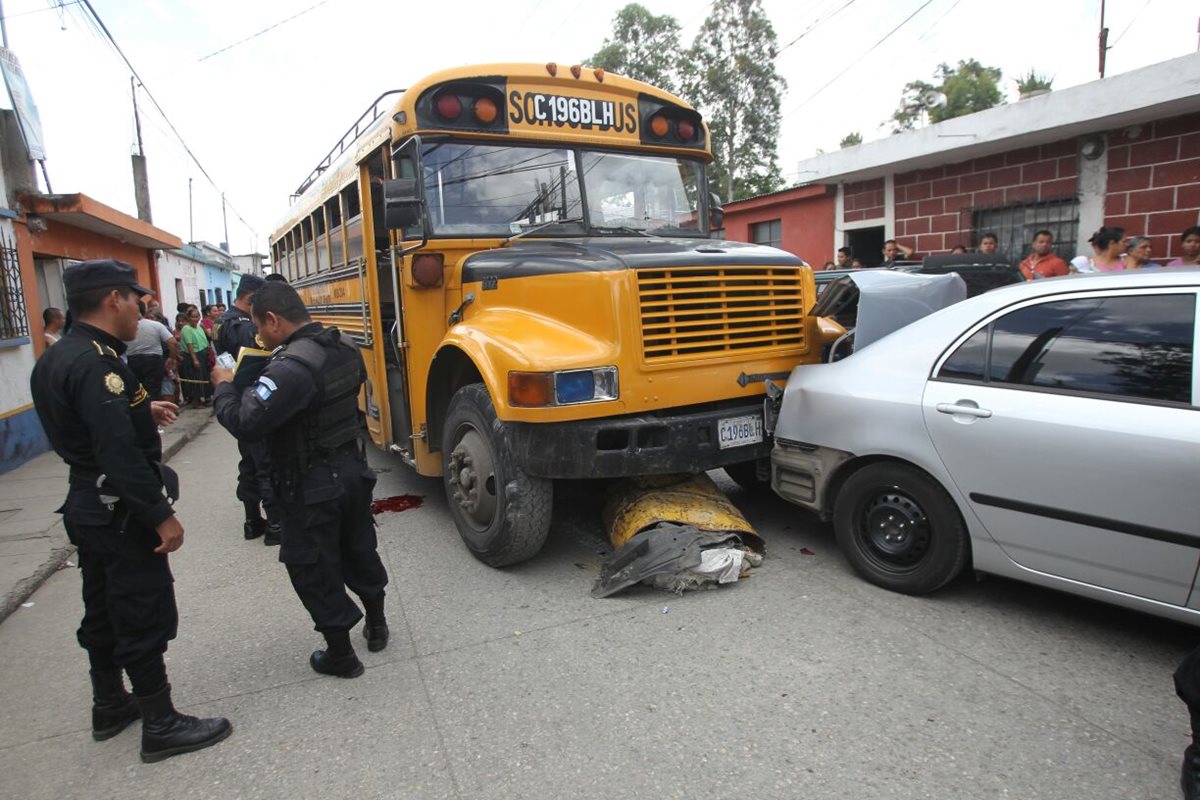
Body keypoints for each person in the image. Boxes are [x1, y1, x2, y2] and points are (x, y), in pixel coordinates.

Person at [28, 259, 231, 763]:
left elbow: (91, 425)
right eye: (135, 299)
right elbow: (117, 453)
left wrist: (142, 412)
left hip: (89, 503)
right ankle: (160, 724)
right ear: (112, 299)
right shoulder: (99, 364)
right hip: (119, 507)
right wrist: (161, 514)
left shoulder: (60, 356)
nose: (142, 308)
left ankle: (109, 704)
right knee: (141, 608)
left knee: (101, 605)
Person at [212, 282, 389, 678]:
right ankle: (376, 624)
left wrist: (223, 386)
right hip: (352, 470)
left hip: (309, 483)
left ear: (273, 319)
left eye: (258, 326)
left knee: (311, 563)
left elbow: (246, 423)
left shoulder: (290, 367)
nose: (257, 336)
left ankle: (341, 654)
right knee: (359, 547)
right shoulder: (343, 344)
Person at [214, 274, 280, 546]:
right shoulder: (242, 326)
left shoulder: (222, 322)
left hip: (240, 399)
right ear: (251, 299)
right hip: (252, 398)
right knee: (265, 463)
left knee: (250, 463)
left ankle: (253, 520)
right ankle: (275, 524)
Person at [124, 300, 179, 401]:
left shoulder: (125, 326)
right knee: (154, 390)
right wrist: (172, 358)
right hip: (154, 360)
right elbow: (173, 342)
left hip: (132, 360)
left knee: (137, 390)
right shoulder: (156, 325)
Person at [178, 306, 212, 407]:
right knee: (195, 378)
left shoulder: (199, 326)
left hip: (203, 353)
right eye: (193, 317)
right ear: (188, 318)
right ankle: (196, 401)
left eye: (197, 316)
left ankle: (206, 397)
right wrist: (195, 359)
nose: (195, 319)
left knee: (204, 376)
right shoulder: (186, 328)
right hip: (194, 355)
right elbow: (189, 344)